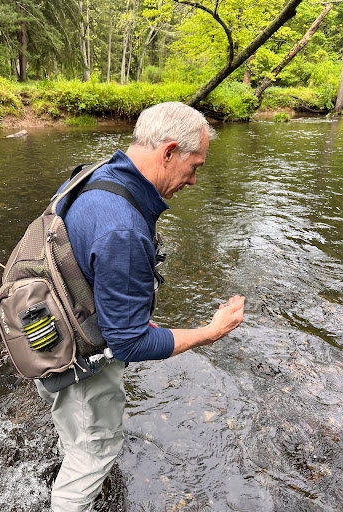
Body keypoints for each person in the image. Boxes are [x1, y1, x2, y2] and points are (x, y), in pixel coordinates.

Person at [35, 101, 245, 512]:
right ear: (168, 152)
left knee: (79, 436)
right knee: (94, 452)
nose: (194, 180)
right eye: (194, 166)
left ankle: (74, 452)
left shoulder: (98, 172)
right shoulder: (122, 227)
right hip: (78, 360)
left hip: (44, 333)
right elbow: (129, 343)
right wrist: (210, 331)